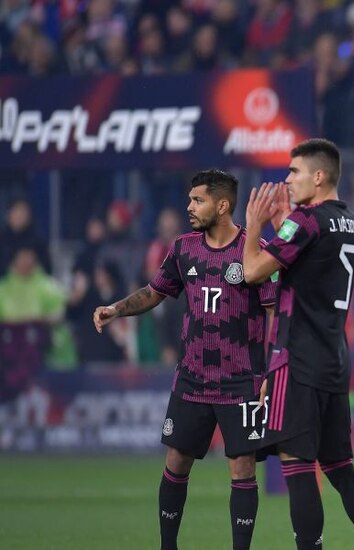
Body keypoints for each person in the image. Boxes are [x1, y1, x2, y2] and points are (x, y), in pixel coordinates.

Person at [92, 170, 276, 550]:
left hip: (242, 380)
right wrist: (116, 309)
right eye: (190, 199)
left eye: (198, 200)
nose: (189, 207)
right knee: (176, 462)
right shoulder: (183, 248)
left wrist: (272, 369)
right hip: (192, 378)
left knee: (242, 468)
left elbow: (276, 312)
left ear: (222, 206)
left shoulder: (253, 249)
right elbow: (155, 291)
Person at [242, 139, 354, 550]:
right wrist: (282, 225)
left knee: (297, 465)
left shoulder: (305, 221)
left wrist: (254, 225)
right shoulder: (350, 222)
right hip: (334, 358)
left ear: (319, 176)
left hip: (298, 360)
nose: (288, 180)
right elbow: (311, 263)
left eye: (295, 171)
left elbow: (252, 272)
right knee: (340, 467)